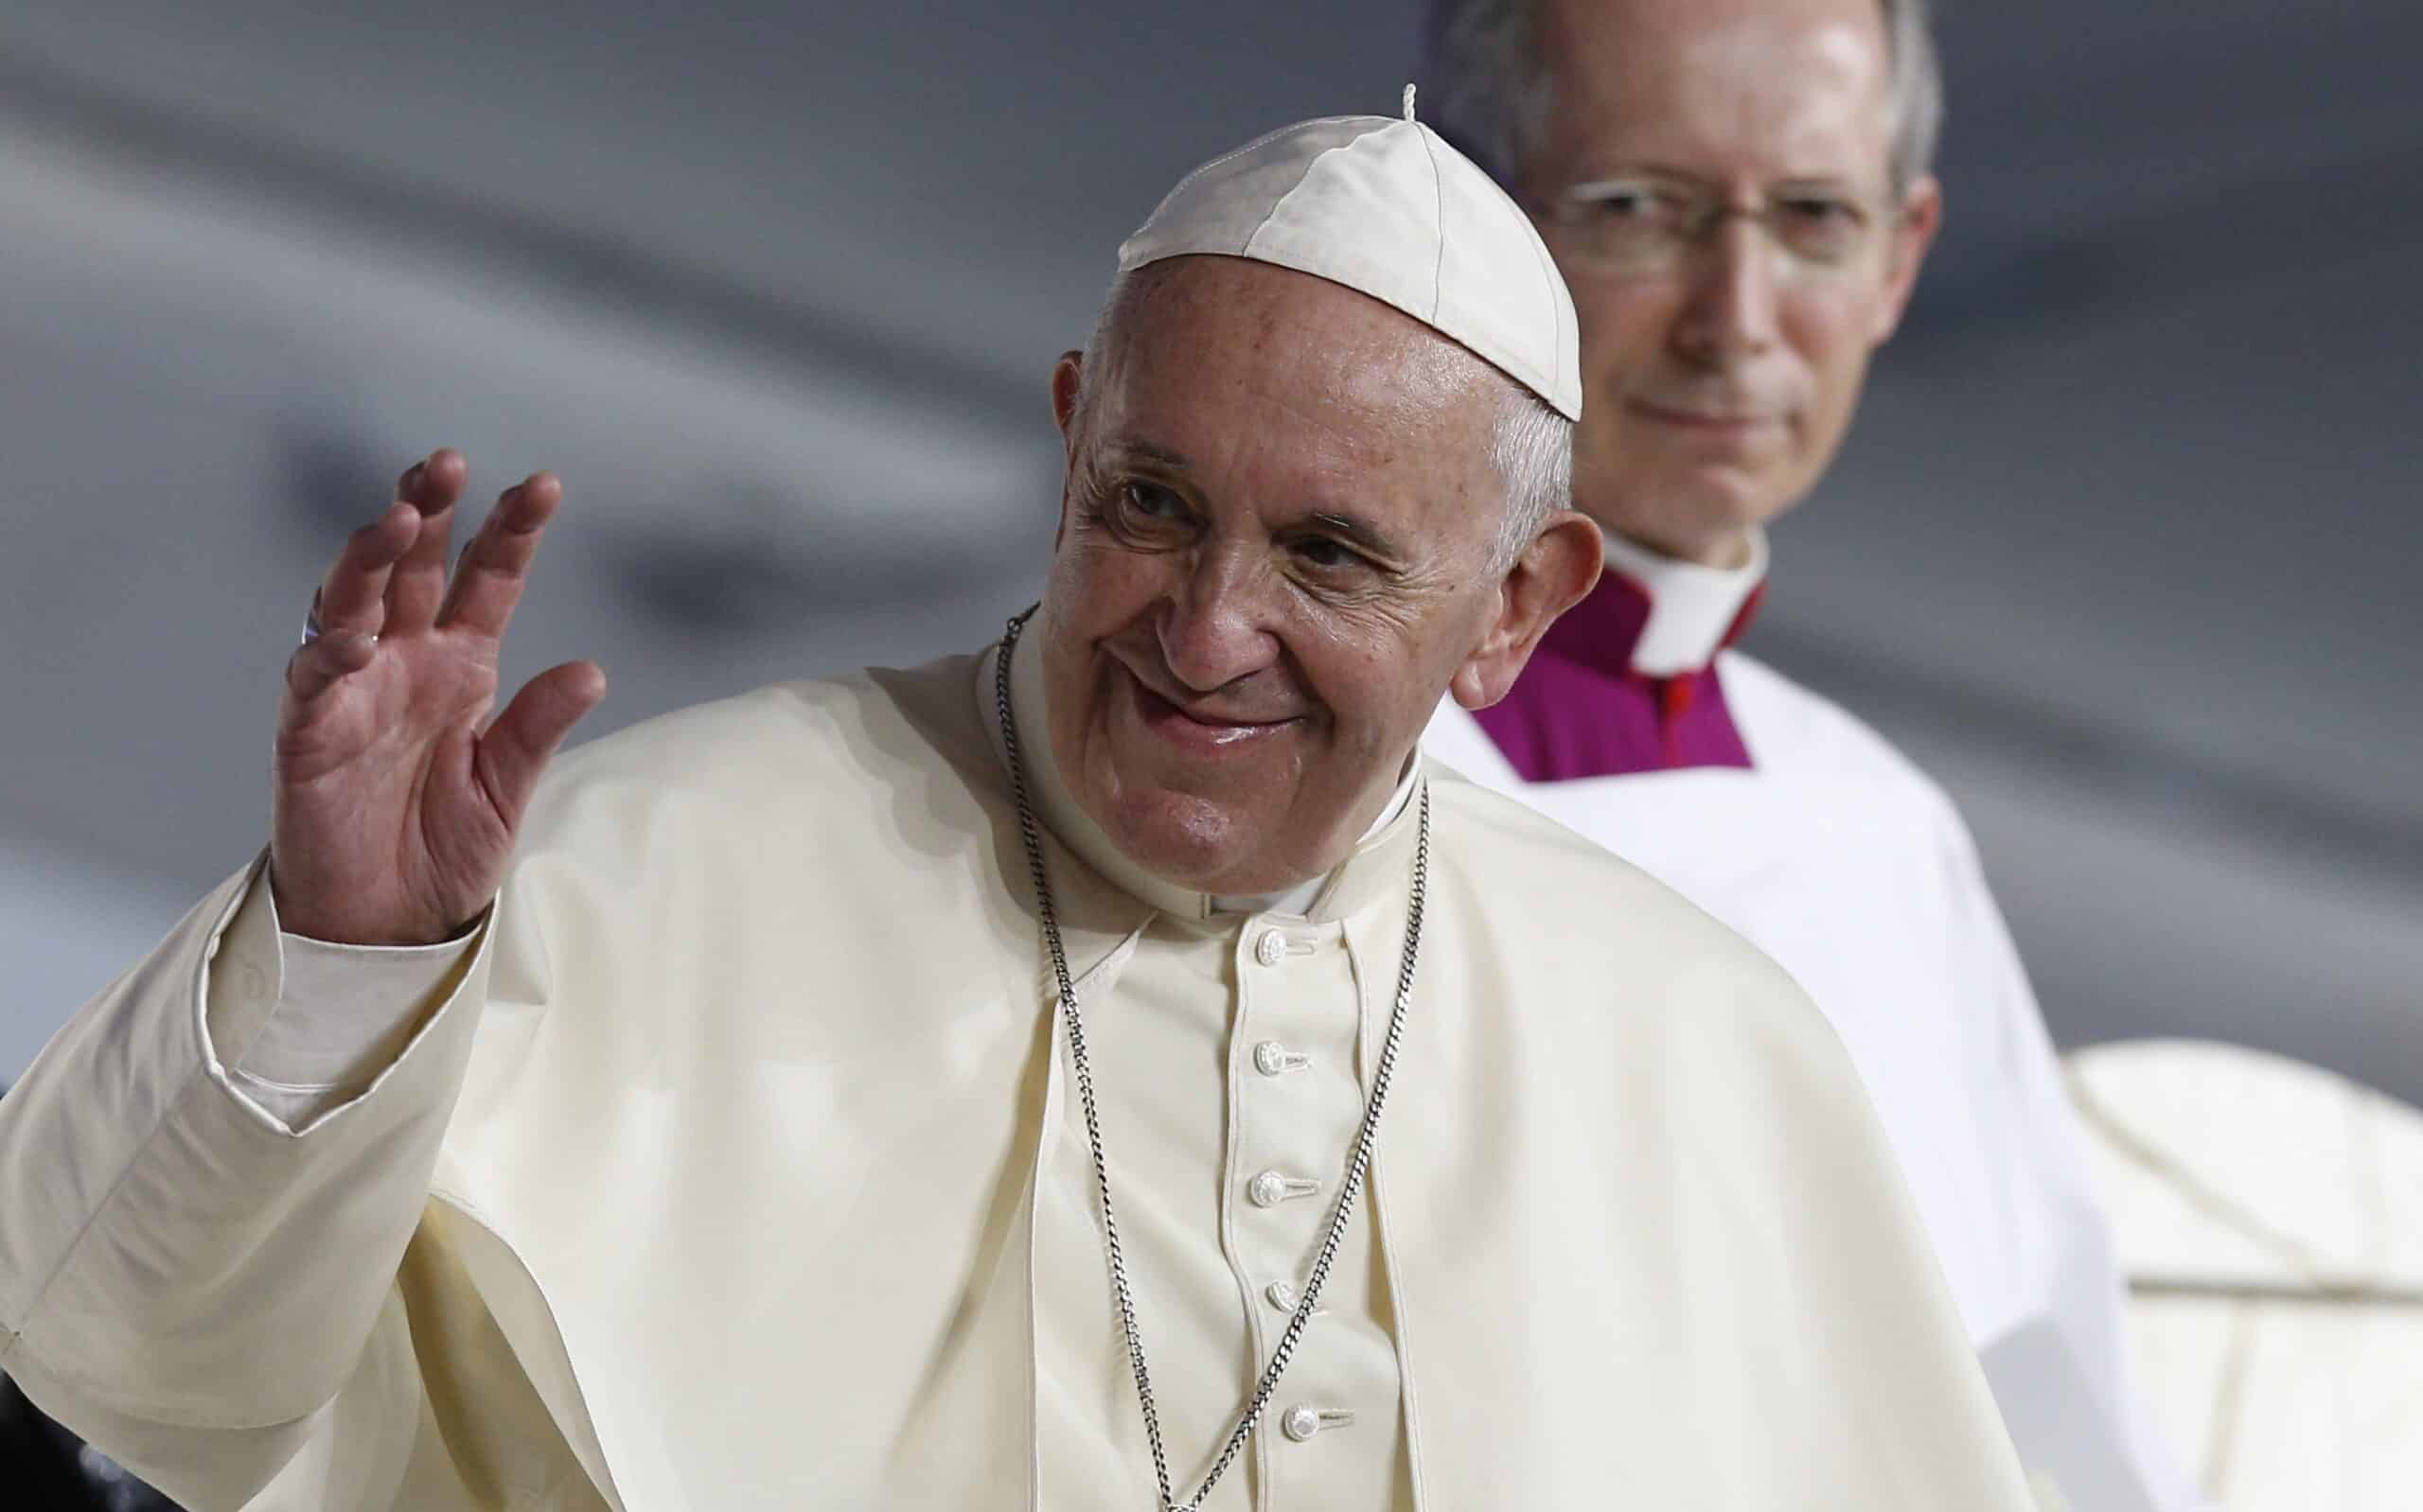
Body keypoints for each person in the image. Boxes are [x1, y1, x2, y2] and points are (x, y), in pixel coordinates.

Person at [0, 105, 2036, 1510]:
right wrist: (345, 962)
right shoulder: (648, 874)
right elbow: (134, 1381)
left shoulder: (1696, 1048)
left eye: (1327, 558)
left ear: (1516, 605)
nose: (1204, 629)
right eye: (1149, 505)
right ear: (1070, 440)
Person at [1419, 2, 2201, 1506]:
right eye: (1640, 209)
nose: (1737, 317)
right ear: (1464, 210)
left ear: (1903, 255)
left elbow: (2056, 1424)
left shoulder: (1880, 830)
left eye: (1816, 220)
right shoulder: (1302, 779)